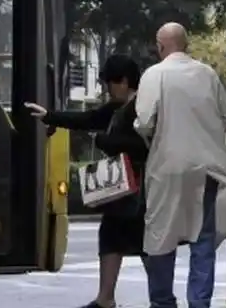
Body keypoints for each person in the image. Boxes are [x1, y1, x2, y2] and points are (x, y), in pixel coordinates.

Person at [24, 54, 147, 308]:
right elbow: (87, 119)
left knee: (147, 243)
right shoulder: (116, 109)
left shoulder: (143, 107)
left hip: (141, 187)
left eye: (110, 84)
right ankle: (106, 298)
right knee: (112, 237)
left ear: (123, 81)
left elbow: (143, 145)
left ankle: (160, 297)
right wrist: (50, 116)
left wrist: (105, 142)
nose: (107, 90)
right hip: (120, 188)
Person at [133, 22, 226, 308]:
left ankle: (163, 302)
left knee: (160, 238)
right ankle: (199, 303)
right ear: (186, 44)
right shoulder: (207, 74)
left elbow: (144, 123)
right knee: (203, 242)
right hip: (208, 170)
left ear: (160, 45)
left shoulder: (154, 75)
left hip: (168, 168)